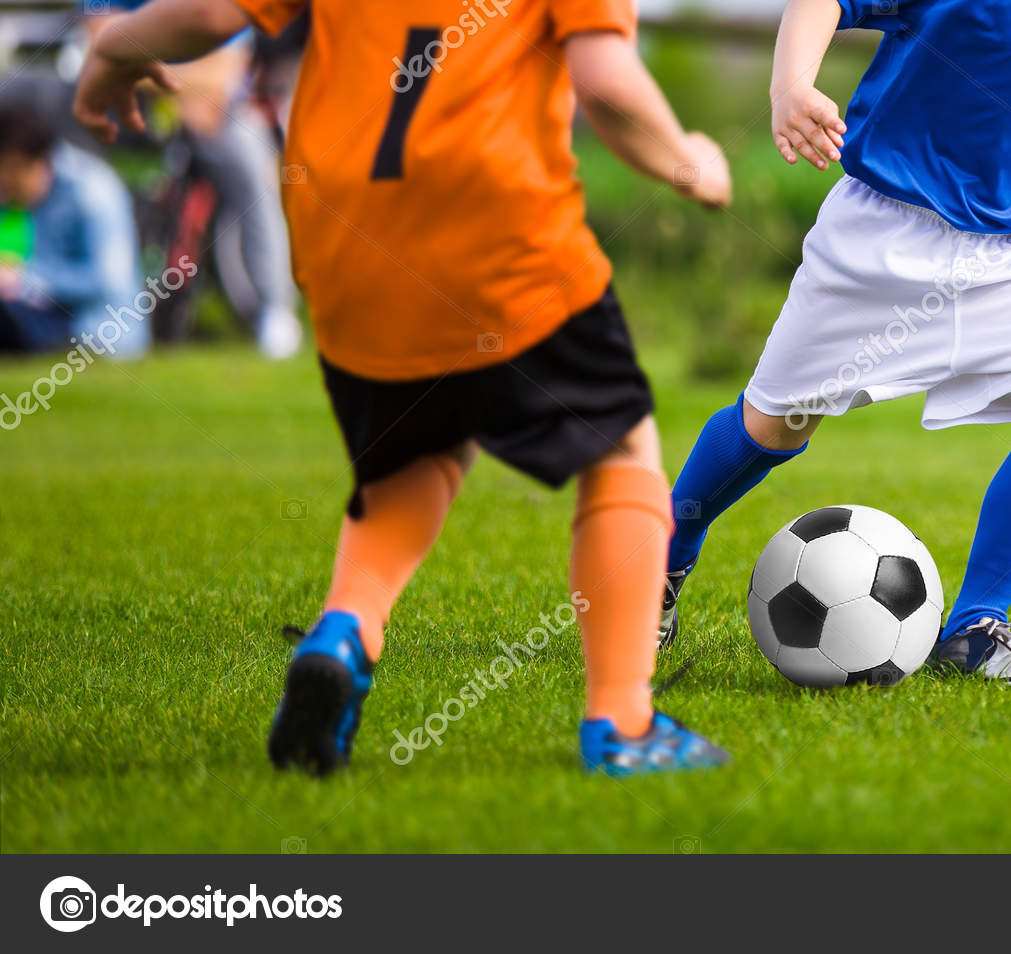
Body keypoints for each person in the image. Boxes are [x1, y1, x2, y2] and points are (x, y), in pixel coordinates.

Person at [73, 0, 734, 774]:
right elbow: (607, 83)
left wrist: (116, 43)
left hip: (344, 235)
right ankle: (624, 724)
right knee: (620, 447)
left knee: (413, 453)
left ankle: (344, 632)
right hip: (497, 238)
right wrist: (691, 161)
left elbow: (218, 10)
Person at [660, 0, 1011, 684]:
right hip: (878, 232)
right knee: (773, 424)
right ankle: (663, 558)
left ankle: (975, 628)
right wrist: (790, 87)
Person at [84, 0, 303, 359]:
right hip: (126, 113)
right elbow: (99, 41)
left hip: (213, 114)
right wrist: (185, 86)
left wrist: (136, 65)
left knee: (252, 164)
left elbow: (226, 73)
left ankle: (272, 308)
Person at [0, 102, 141, 356]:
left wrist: (23, 279)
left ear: (39, 161)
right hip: (37, 324)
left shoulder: (93, 189)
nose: (4, 183)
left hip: (94, 335)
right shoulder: (19, 198)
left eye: (10, 171)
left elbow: (108, 282)